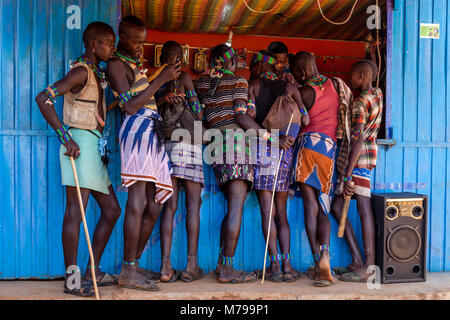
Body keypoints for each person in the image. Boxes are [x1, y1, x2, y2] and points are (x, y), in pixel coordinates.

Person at [35, 22, 120, 297]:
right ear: (93, 44)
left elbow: (93, 106)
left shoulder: (96, 73)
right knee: (75, 212)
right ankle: (72, 280)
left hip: (93, 147)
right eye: (108, 43)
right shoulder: (80, 71)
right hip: (79, 145)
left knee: (111, 211)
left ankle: (91, 271)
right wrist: (65, 138)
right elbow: (44, 97)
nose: (112, 47)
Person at [106, 15, 181, 291]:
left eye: (143, 42)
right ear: (121, 38)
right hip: (136, 132)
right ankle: (128, 268)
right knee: (137, 201)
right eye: (137, 42)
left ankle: (133, 265)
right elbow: (129, 106)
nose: (141, 47)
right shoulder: (115, 65)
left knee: (155, 204)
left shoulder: (134, 65)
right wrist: (159, 78)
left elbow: (145, 100)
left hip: (152, 132)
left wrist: (160, 96)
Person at [244, 51, 309, 282]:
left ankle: (273, 266)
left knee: (266, 211)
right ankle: (288, 265)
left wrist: (268, 133)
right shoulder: (291, 88)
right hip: (285, 150)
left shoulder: (253, 86)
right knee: (281, 213)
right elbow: (305, 119)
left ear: (262, 65)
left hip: (263, 148)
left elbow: (247, 115)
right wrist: (289, 135)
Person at [196, 44, 257, 284]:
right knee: (236, 207)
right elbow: (241, 116)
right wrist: (270, 137)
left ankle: (223, 263)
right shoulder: (238, 82)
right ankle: (228, 269)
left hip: (215, 145)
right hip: (236, 143)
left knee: (233, 205)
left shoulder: (202, 83)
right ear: (231, 63)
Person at [290, 51, 341, 287]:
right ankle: (325, 257)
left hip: (308, 147)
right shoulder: (333, 84)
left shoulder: (304, 92)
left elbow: (295, 121)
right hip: (329, 151)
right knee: (324, 208)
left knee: (310, 207)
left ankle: (315, 260)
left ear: (301, 72)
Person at [155, 41, 205, 283]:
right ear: (182, 59)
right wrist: (188, 99)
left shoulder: (155, 80)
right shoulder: (185, 77)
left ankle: (165, 268)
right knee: (193, 205)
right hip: (189, 143)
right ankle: (191, 266)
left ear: (162, 58)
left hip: (167, 146)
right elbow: (197, 112)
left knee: (169, 207)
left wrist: (165, 98)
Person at [331, 60, 383, 282]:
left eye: (352, 75)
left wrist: (346, 174)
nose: (350, 79)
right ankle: (357, 261)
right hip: (368, 156)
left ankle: (368, 267)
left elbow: (358, 138)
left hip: (358, 161)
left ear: (362, 75)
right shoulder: (377, 94)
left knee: (363, 209)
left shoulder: (360, 102)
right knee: (338, 206)